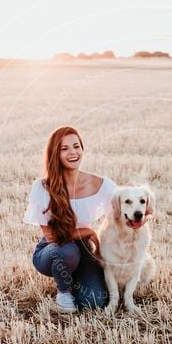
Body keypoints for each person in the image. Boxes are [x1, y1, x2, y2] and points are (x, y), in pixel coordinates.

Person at [24, 126, 117, 313]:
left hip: (84, 249)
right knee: (67, 251)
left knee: (94, 302)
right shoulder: (42, 187)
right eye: (64, 148)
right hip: (54, 251)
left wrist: (140, 214)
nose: (73, 152)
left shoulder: (102, 184)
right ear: (55, 154)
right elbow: (51, 237)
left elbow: (122, 211)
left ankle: (76, 278)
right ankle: (63, 291)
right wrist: (88, 231)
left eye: (76, 146)